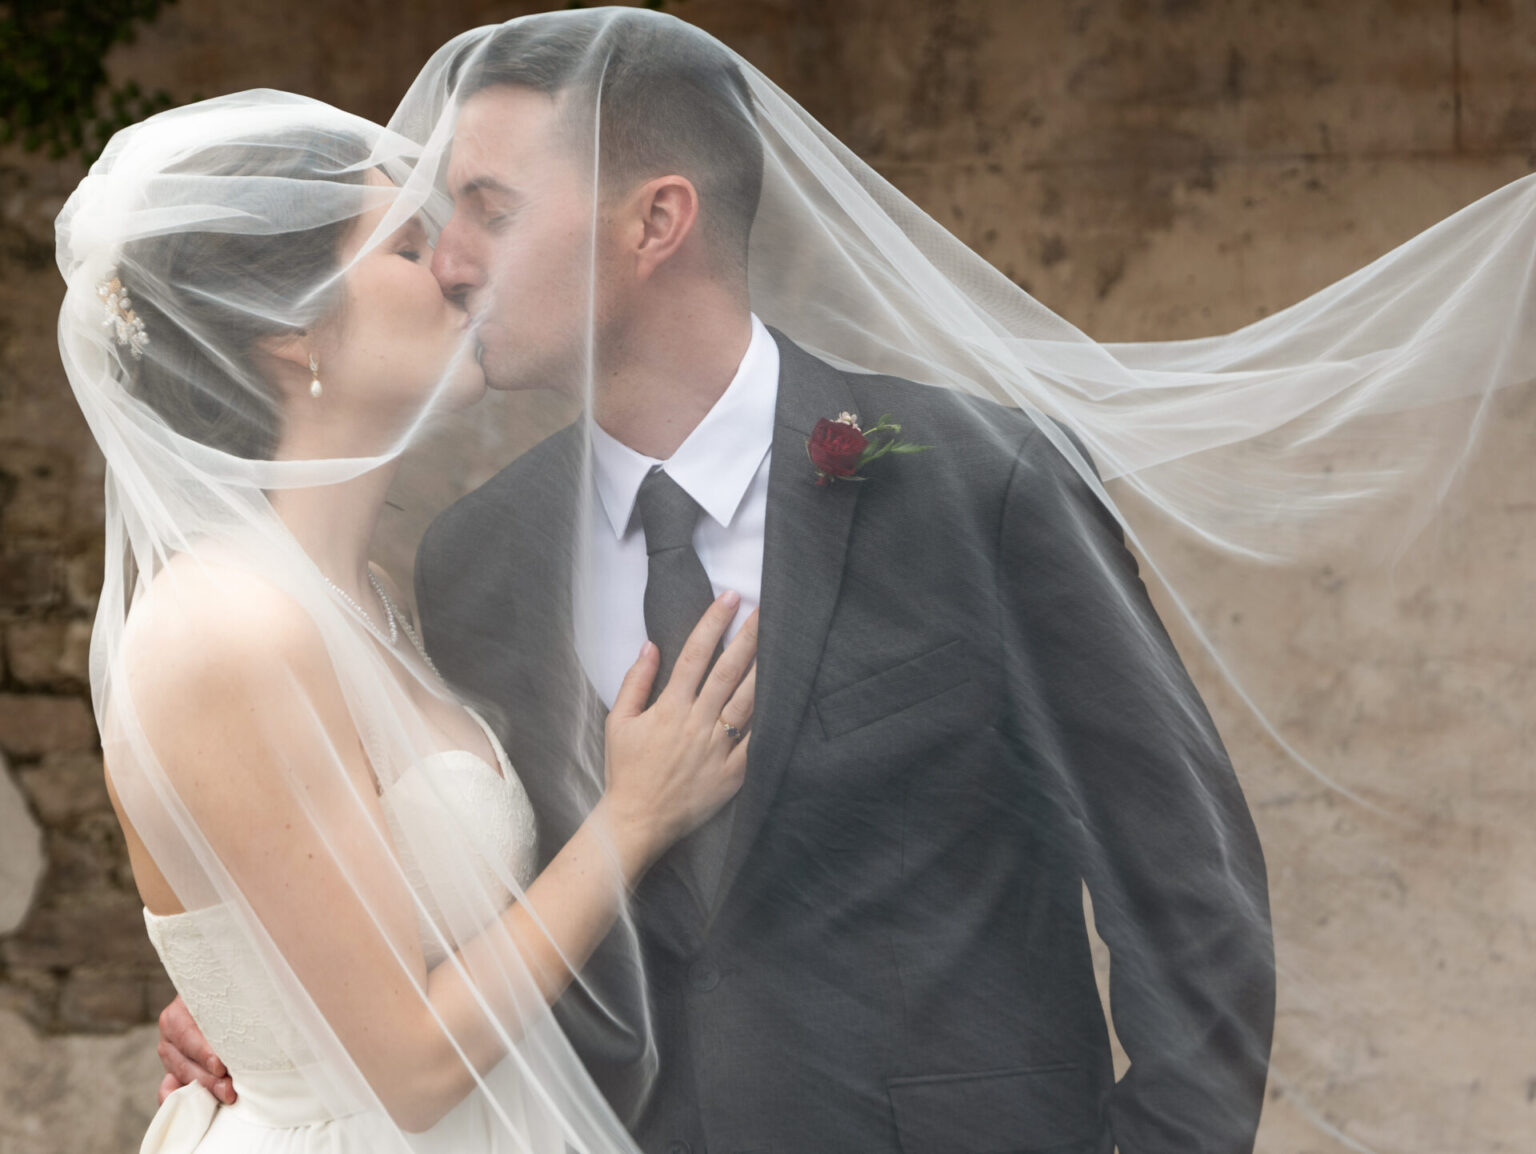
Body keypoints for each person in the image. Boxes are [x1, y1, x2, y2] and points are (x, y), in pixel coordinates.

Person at [156, 10, 1536, 1154]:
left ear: (658, 222)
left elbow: (1192, 901)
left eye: (490, 209)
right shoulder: (477, 555)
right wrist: (277, 1011)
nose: (448, 257)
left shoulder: (976, 484)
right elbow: (454, 890)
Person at [59, 92, 758, 1152]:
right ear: (293, 329)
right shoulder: (224, 629)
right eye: (408, 246)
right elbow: (410, 1069)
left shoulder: (370, 594)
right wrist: (636, 815)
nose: (457, 271)